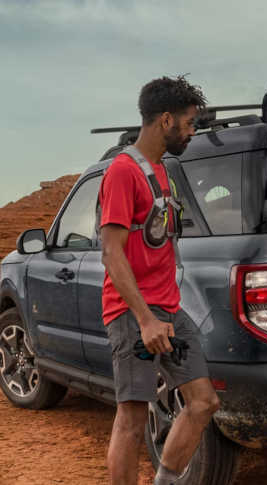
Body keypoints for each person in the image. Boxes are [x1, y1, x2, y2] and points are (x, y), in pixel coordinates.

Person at [98, 76, 220, 485]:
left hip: (169, 309)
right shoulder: (122, 171)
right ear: (165, 119)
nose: (192, 131)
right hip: (135, 315)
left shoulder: (161, 171)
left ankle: (165, 481)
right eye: (187, 123)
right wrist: (145, 318)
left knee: (203, 402)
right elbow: (112, 251)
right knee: (132, 420)